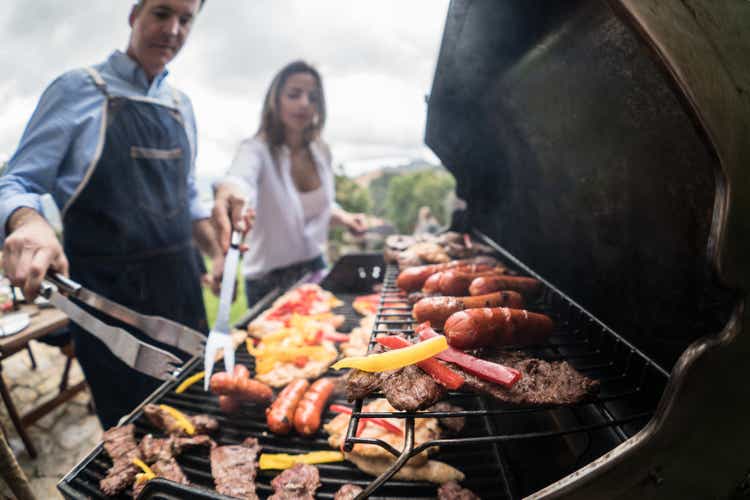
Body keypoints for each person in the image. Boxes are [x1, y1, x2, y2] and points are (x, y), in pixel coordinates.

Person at [0, 0, 224, 428]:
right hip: (108, 304)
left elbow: (190, 195)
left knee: (201, 412)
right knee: (131, 431)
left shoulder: (182, 105)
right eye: (162, 13)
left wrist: (216, 252)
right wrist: (29, 222)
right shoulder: (77, 90)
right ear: (134, 13)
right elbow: (15, 183)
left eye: (185, 19)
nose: (173, 30)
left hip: (181, 293)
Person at [212, 60, 367, 307]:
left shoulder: (321, 151)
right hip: (267, 282)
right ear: (275, 100)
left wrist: (345, 218)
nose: (304, 103)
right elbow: (238, 178)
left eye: (313, 97)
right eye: (294, 94)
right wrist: (229, 193)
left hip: (316, 270)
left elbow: (315, 208)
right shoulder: (255, 150)